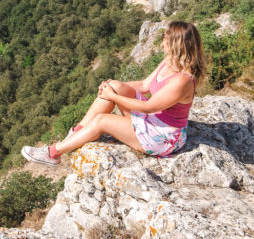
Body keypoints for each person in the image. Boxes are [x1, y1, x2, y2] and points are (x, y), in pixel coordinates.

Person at [21, 21, 206, 165]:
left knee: (102, 120)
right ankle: (76, 133)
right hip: (153, 120)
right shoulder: (169, 61)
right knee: (115, 85)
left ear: (176, 43)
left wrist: (113, 97)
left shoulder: (182, 82)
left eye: (166, 37)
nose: (162, 40)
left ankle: (53, 154)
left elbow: (149, 107)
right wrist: (112, 87)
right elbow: (143, 85)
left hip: (162, 136)